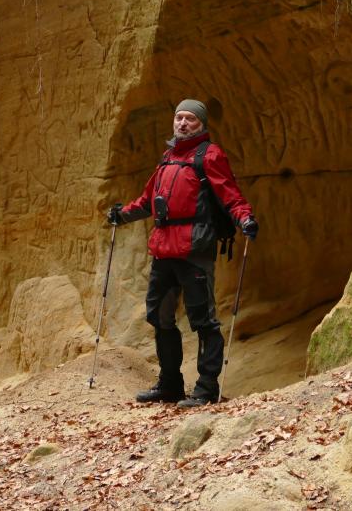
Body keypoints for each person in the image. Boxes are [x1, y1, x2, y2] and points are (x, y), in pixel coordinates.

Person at [107, 99, 257, 407]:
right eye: (179, 117)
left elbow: (229, 193)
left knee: (203, 319)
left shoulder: (209, 156)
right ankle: (171, 385)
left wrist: (245, 218)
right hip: (164, 248)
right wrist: (121, 215)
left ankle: (205, 389)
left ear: (201, 124)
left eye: (190, 119)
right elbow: (149, 200)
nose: (183, 123)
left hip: (194, 247)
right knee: (159, 315)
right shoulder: (168, 158)